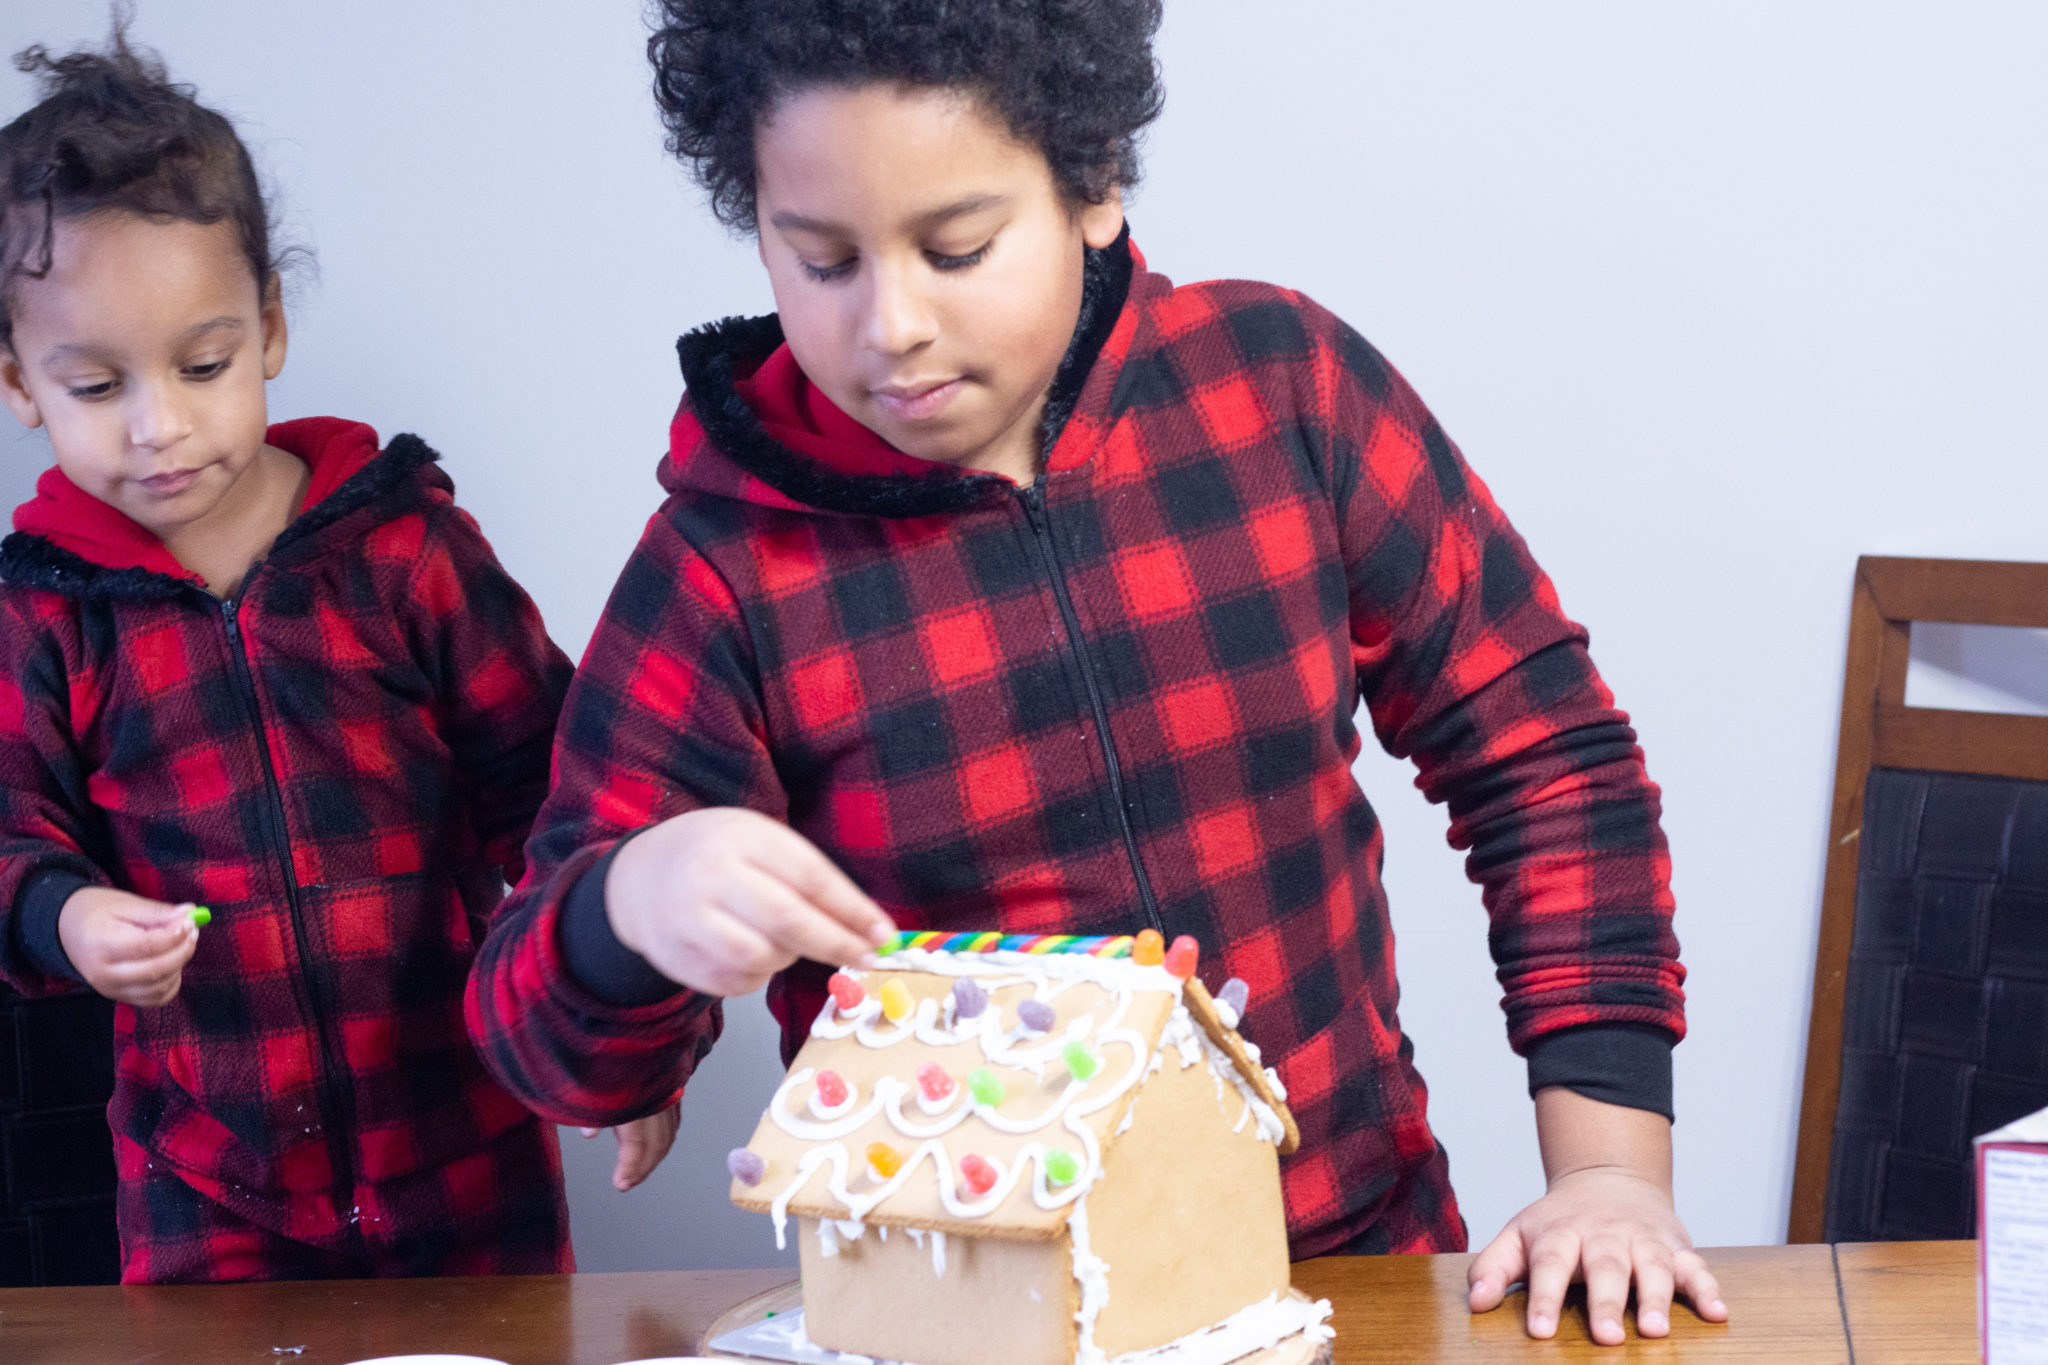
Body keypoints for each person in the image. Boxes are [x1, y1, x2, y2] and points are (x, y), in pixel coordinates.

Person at [466, 0, 1726, 1343]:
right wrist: (628, 910)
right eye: (822, 260)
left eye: (957, 247)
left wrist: (1607, 1173)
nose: (890, 323)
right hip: (968, 1318)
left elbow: (1547, 759)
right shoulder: (721, 568)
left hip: (1347, 1261)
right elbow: (550, 1047)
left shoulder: (1282, 388)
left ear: (1094, 187)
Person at [0, 30, 668, 1283]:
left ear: (268, 331)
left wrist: (612, 1032)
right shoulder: (46, 615)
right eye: (96, 387)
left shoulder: (401, 549)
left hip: (467, 1133)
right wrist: (66, 912)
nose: (161, 428)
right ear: (20, 383)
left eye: (202, 366)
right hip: (204, 1176)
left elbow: (560, 797)